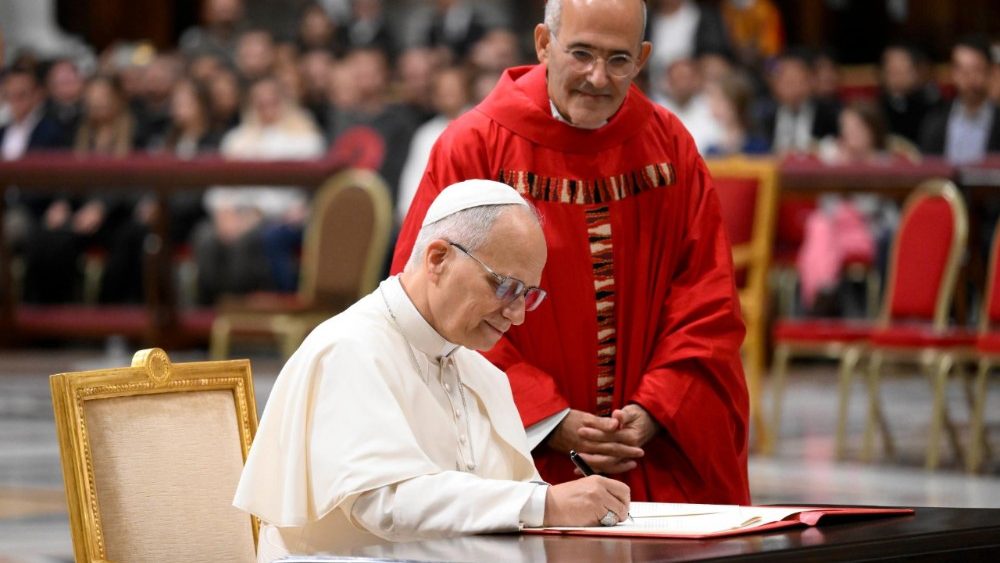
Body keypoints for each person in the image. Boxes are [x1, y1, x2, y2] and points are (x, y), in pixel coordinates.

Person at [391, 0, 750, 505]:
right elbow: (428, 302)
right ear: (543, 43)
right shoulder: (475, 147)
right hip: (515, 456)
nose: (598, 77)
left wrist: (657, 407)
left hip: (648, 451)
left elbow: (706, 298)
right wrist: (545, 414)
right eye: (580, 53)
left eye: (619, 60)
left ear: (643, 57)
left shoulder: (669, 148)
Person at [234, 180, 631, 559]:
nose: (517, 315)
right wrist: (544, 504)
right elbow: (383, 500)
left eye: (529, 295)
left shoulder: (481, 373)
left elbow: (514, 499)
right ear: (438, 258)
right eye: (505, 287)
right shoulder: (350, 349)